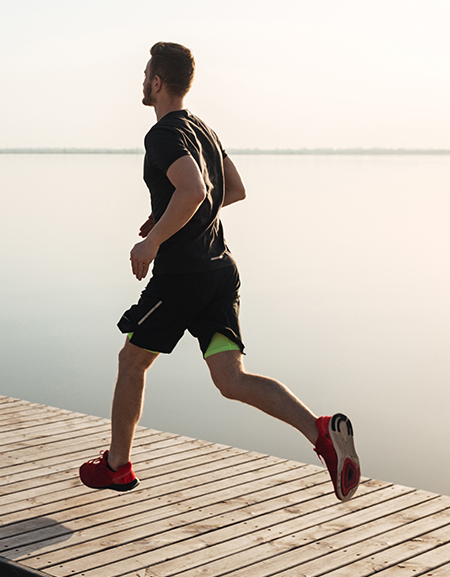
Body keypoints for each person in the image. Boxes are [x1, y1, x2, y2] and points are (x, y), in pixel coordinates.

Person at [78, 42, 361, 502]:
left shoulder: (164, 134)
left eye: (145, 73)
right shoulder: (203, 129)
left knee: (131, 361)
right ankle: (321, 432)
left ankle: (117, 467)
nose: (141, 80)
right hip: (219, 270)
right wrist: (169, 214)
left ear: (157, 82)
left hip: (182, 277)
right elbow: (232, 190)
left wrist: (151, 241)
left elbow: (194, 189)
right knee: (231, 379)